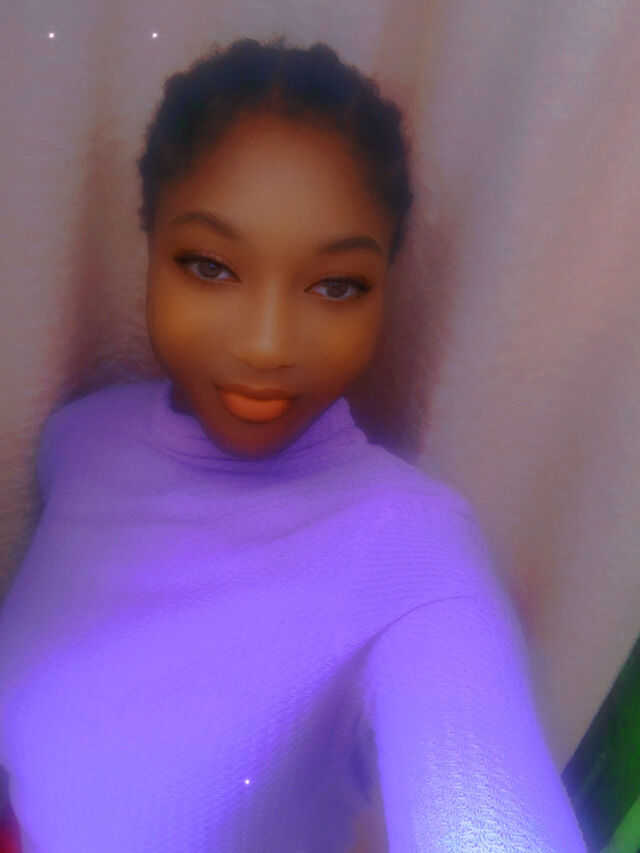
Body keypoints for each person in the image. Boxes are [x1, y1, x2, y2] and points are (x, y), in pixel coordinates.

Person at [0, 35, 588, 853]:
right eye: (211, 266)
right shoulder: (79, 438)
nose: (268, 344)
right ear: (149, 245)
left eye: (334, 286)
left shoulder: (413, 549)